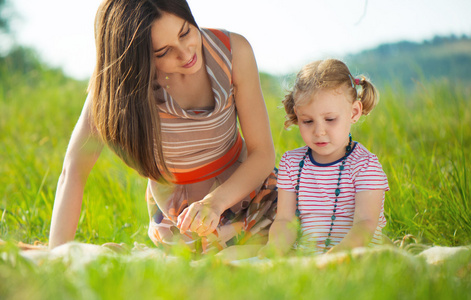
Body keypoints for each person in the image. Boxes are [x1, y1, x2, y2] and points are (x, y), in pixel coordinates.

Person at [49, 0, 277, 255]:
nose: (186, 53)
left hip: (250, 195)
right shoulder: (117, 86)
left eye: (185, 32)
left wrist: (215, 203)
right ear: (138, 59)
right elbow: (74, 171)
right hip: (181, 222)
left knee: (289, 238)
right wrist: (56, 255)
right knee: (197, 269)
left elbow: (263, 153)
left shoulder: (232, 52)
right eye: (163, 52)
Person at [259, 59, 389, 256]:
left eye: (330, 119)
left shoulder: (364, 166)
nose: (319, 131)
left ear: (354, 112)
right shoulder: (291, 164)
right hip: (308, 256)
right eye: (308, 121)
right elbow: (285, 219)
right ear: (297, 114)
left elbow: (365, 224)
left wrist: (335, 257)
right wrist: (275, 249)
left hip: (357, 256)